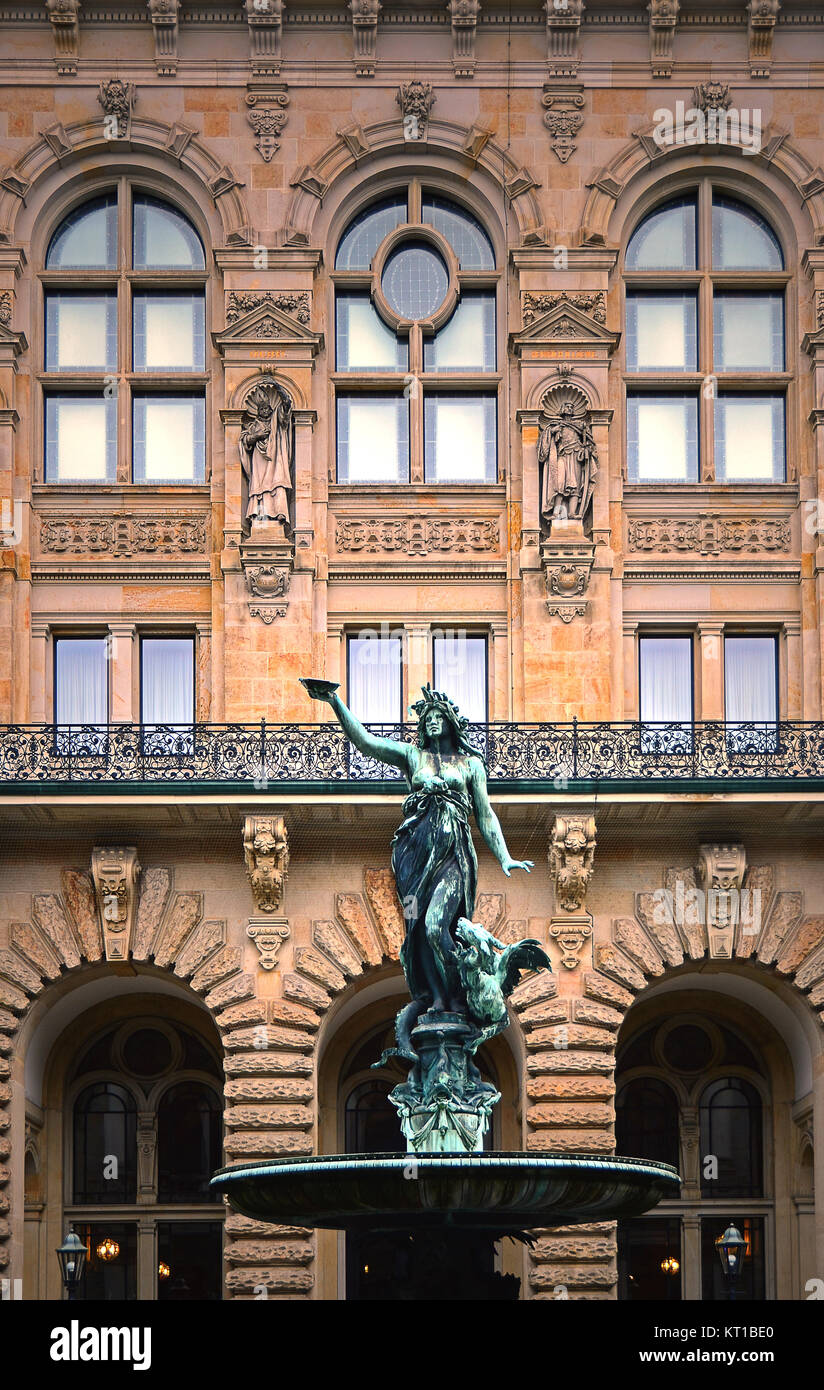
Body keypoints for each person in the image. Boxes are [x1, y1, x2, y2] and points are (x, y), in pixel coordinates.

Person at [305, 681, 532, 1040]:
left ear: (451, 722)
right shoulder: (414, 757)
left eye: (438, 716)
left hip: (454, 853)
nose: (432, 722)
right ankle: (439, 998)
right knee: (418, 932)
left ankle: (459, 991)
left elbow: (485, 814)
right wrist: (334, 701)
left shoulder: (471, 764)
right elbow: (366, 742)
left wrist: (504, 857)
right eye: (426, 718)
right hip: (415, 852)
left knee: (435, 926)